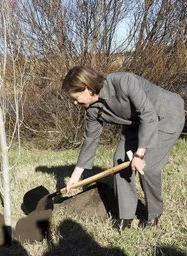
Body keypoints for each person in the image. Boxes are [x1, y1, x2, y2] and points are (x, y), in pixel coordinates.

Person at [62, 66, 185, 232]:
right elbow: (90, 140)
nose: (75, 103)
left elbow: (148, 115)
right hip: (136, 124)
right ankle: (126, 215)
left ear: (87, 88)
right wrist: (75, 177)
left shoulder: (124, 82)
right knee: (119, 161)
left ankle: (154, 214)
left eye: (76, 98)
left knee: (148, 168)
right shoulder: (91, 110)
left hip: (165, 115)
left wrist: (140, 155)